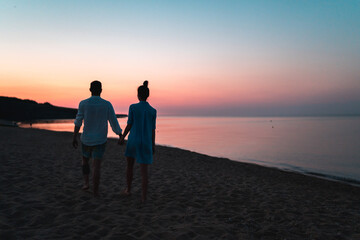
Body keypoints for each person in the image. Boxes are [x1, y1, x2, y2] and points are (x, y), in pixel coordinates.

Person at [73, 80, 122, 197]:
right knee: (96, 166)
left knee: (85, 161)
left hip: (86, 139)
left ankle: (86, 183)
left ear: (90, 90)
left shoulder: (83, 103)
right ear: (101, 90)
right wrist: (120, 134)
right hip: (100, 140)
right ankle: (95, 191)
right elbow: (113, 121)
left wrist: (74, 136)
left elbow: (78, 122)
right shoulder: (107, 104)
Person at [119, 80, 157, 202]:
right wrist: (153, 145)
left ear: (138, 94)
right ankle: (144, 197)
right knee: (144, 171)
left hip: (133, 140)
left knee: (130, 166)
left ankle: (128, 190)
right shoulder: (153, 111)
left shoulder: (133, 107)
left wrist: (122, 137)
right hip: (146, 142)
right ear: (148, 95)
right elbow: (152, 130)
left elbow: (129, 125)